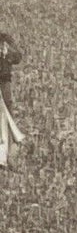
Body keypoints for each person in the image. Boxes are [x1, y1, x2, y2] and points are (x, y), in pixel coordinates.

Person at [0, 31, 24, 169]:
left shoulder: (6, 39)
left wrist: (6, 53)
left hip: (4, 84)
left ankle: (6, 154)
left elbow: (18, 57)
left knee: (6, 117)